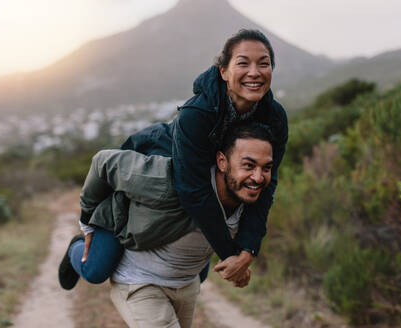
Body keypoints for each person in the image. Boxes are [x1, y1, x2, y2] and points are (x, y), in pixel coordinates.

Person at [59, 28, 288, 289]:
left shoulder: (275, 118)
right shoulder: (197, 114)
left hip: (197, 191)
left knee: (193, 276)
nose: (254, 72)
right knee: (97, 269)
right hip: (163, 172)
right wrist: (231, 255)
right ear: (223, 71)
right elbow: (195, 192)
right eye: (243, 63)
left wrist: (248, 250)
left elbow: (266, 186)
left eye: (264, 63)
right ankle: (75, 250)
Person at [67, 122, 275, 328]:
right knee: (95, 270)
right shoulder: (170, 180)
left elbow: (242, 239)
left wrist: (241, 260)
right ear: (222, 161)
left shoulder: (254, 200)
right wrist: (87, 224)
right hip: (138, 277)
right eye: (248, 165)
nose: (258, 177)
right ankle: (74, 250)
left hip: (185, 282)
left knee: (200, 271)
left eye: (266, 168)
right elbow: (103, 162)